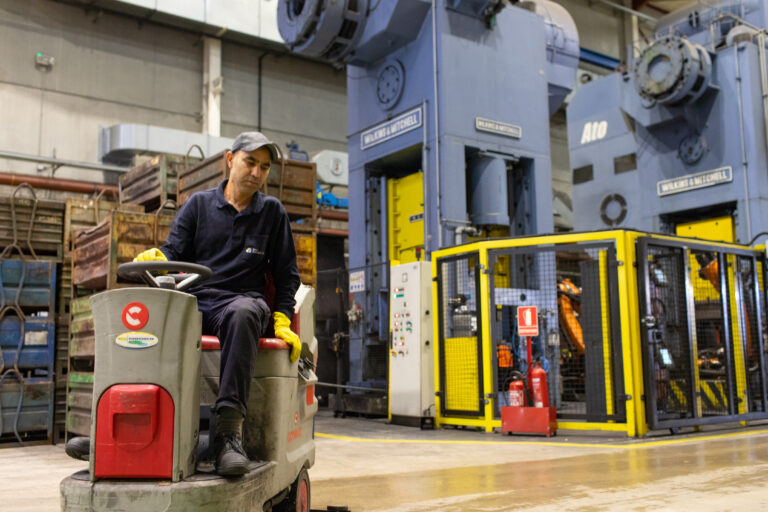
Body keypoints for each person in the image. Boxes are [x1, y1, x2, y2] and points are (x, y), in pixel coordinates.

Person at [65, 132, 301, 477]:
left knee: (243, 314)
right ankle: (117, 428)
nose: (256, 172)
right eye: (250, 162)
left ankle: (228, 435)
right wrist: (158, 258)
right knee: (145, 322)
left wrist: (281, 318)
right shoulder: (198, 206)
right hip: (196, 300)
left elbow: (287, 275)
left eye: (264, 167)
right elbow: (173, 252)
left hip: (241, 303)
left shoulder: (272, 213)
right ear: (230, 159)